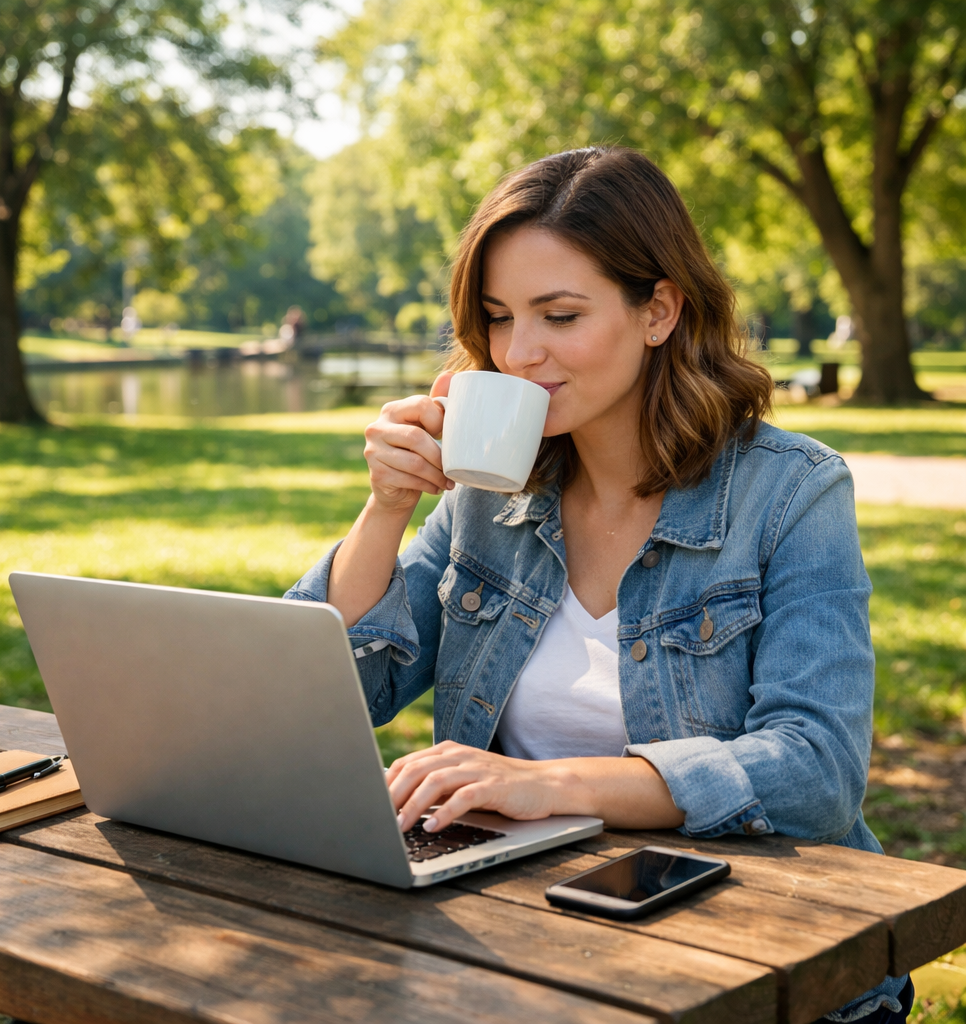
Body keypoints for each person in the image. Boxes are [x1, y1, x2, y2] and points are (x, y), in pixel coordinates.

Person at [285, 147, 912, 1024]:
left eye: (561, 314)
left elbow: (816, 770)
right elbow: (330, 695)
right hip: (527, 938)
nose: (520, 352)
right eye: (500, 318)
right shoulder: (489, 492)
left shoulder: (791, 493)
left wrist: (552, 785)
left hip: (758, 958)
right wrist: (386, 509)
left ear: (658, 310)